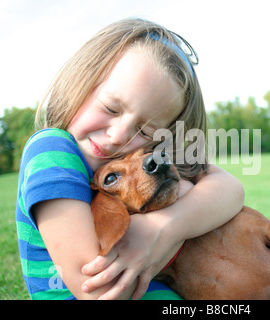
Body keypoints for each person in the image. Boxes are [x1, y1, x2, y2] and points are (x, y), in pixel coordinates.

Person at [16, 18, 244, 300]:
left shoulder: (139, 158)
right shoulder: (51, 150)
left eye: (143, 129)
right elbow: (97, 290)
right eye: (111, 108)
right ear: (81, 81)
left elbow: (231, 188)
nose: (118, 136)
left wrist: (164, 227)